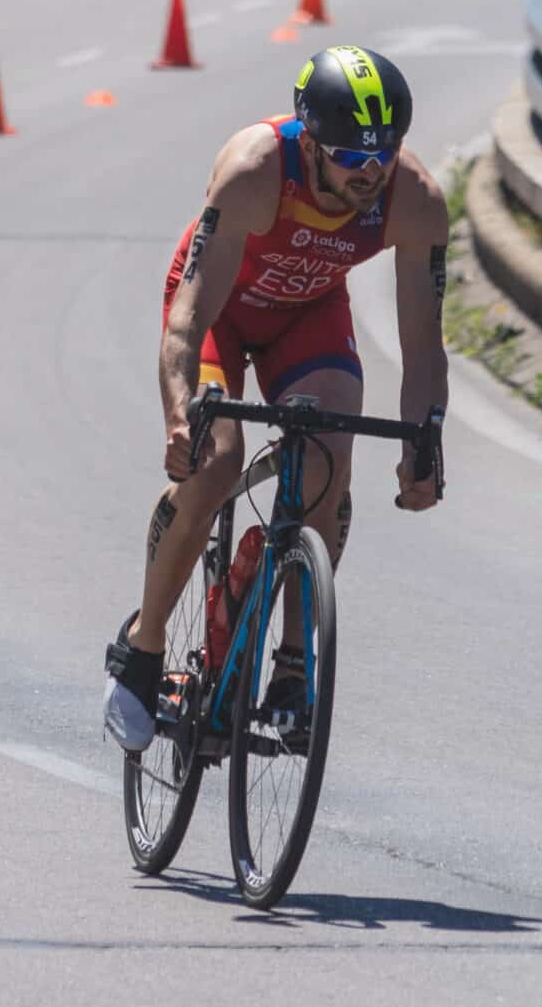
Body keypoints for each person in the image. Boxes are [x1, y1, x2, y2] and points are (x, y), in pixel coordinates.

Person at [101, 46, 450, 754]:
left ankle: (293, 662)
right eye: (352, 153)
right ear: (312, 141)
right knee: (217, 460)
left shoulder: (413, 200)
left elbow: (423, 347)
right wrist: (178, 413)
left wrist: (425, 443)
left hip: (306, 315)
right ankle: (145, 643)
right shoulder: (256, 171)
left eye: (385, 151)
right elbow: (187, 321)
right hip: (221, 316)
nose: (370, 170)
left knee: (328, 451)